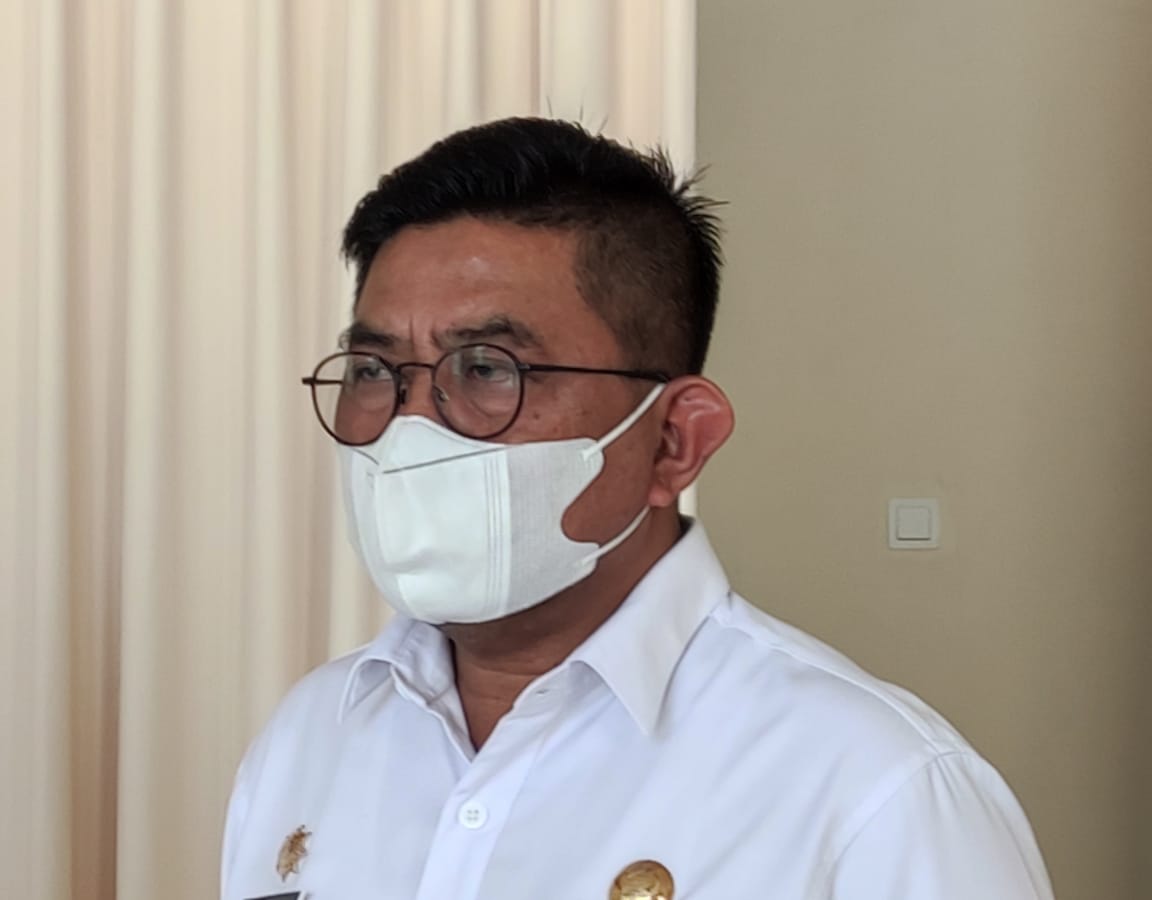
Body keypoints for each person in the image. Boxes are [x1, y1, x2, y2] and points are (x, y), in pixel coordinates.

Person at [221, 117, 1054, 900]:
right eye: (374, 371)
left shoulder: (872, 790)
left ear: (675, 441)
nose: (409, 428)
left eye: (486, 368)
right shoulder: (311, 736)